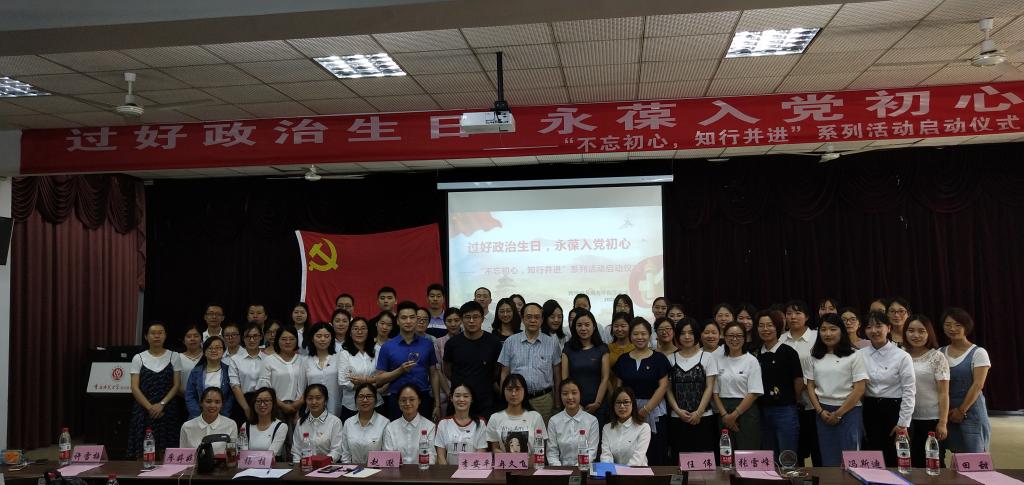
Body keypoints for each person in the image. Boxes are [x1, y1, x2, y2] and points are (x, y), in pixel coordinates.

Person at [805, 313, 868, 467]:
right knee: (828, 457)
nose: (828, 333)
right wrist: (820, 411)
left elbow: (859, 389)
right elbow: (810, 386)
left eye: (833, 329)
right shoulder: (814, 356)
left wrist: (838, 414)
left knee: (851, 459)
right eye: (823, 329)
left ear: (841, 331)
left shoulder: (855, 355)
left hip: (849, 411)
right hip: (823, 413)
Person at [859, 310, 916, 467]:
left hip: (894, 411)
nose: (874, 331)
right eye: (869, 327)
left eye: (879, 326)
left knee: (894, 459)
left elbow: (909, 391)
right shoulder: (860, 355)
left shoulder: (902, 356)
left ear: (889, 328)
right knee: (872, 459)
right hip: (870, 409)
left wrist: (903, 423)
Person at [611, 317, 669, 465]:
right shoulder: (623, 359)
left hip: (654, 411)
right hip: (627, 412)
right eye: (636, 334)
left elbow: (663, 386)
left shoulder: (659, 358)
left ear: (650, 335)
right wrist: (628, 411)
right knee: (630, 452)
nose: (640, 337)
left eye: (643, 333)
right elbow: (619, 388)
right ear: (630, 336)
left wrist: (645, 410)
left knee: (656, 452)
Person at [375, 300, 441, 421]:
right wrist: (400, 371)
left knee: (424, 432)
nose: (408, 321)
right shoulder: (387, 346)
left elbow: (434, 374)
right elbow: (379, 379)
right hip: (397, 398)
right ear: (397, 321)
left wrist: (437, 404)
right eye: (404, 318)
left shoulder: (427, 344)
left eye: (412, 317)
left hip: (423, 397)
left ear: (416, 319)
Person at [750, 310, 803, 461]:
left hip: (785, 410)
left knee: (787, 455)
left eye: (770, 325)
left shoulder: (788, 352)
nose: (765, 329)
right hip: (760, 411)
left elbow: (798, 380)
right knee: (768, 457)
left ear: (778, 327)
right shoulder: (755, 353)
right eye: (761, 325)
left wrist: (795, 399)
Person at [498, 302, 562, 422]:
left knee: (542, 432)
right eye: (529, 317)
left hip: (544, 400)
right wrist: (504, 400)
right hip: (516, 399)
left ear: (542, 320)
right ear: (522, 319)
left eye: (537, 317)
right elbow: (504, 373)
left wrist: (558, 402)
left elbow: (557, 375)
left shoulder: (552, 343)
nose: (533, 320)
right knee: (517, 432)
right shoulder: (510, 342)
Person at [666, 317, 719, 458]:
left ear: (697, 334)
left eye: (690, 333)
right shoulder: (671, 359)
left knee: (704, 459)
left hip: (704, 417)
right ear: (677, 336)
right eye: (683, 333)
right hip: (678, 417)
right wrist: (678, 411)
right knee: (680, 459)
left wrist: (699, 413)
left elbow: (709, 387)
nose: (687, 336)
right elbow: (668, 389)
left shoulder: (707, 357)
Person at [940, 307, 991, 453]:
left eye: (957, 325)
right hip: (948, 412)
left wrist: (962, 410)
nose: (952, 329)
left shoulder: (978, 352)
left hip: (971, 411)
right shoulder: (940, 352)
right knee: (956, 453)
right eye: (948, 324)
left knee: (975, 455)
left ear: (966, 327)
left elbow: (978, 385)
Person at [129, 322, 182, 458]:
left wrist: (162, 404)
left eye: (160, 333)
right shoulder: (138, 358)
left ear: (165, 336)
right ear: (146, 336)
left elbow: (176, 385)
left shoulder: (174, 356)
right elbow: (134, 387)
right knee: (143, 452)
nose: (157, 336)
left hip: (167, 409)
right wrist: (150, 408)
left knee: (167, 453)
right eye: (153, 333)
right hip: (143, 410)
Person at [903, 315, 949, 468]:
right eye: (911, 331)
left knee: (933, 463)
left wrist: (943, 422)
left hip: (931, 419)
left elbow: (943, 393)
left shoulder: (937, 357)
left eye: (921, 331)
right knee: (910, 463)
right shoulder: (900, 355)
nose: (916, 335)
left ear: (929, 333)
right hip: (906, 419)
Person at [781, 300, 820, 466]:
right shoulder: (781, 339)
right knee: (795, 449)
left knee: (817, 448)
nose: (793, 317)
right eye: (789, 313)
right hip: (789, 402)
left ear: (807, 317)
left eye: (798, 313)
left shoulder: (817, 337)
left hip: (815, 402)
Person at [445, 301, 502, 417]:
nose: (471, 321)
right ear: (461, 320)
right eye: (467, 317)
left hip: (485, 400)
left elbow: (496, 371)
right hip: (460, 400)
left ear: (482, 319)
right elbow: (447, 370)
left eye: (475, 317)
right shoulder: (452, 343)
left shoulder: (494, 342)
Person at [713, 322, 763, 451]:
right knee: (726, 452)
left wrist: (734, 415)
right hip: (723, 411)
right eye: (730, 335)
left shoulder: (751, 361)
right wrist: (725, 416)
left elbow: (754, 393)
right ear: (724, 337)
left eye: (739, 336)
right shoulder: (718, 359)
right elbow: (715, 392)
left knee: (747, 451)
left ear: (744, 338)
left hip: (746, 411)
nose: (734, 339)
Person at [184, 336, 248, 420]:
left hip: (223, 418)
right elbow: (190, 395)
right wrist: (198, 415)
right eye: (210, 348)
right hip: (198, 418)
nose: (214, 351)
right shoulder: (196, 371)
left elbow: (231, 397)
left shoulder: (229, 370)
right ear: (204, 352)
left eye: (218, 348)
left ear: (223, 351)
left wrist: (222, 416)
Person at [561, 309, 609, 417]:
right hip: (573, 404)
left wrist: (597, 403)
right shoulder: (568, 348)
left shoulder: (602, 348)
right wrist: (575, 404)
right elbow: (565, 379)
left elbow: (605, 378)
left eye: (587, 325)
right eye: (579, 325)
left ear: (594, 326)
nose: (583, 328)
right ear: (574, 328)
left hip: (598, 404)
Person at [485, 374, 547, 453]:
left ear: (524, 391)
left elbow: (540, 449)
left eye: (517, 389)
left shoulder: (535, 417)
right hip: (504, 461)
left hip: (530, 461)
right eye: (509, 389)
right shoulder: (495, 418)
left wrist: (528, 460)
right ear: (504, 391)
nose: (513, 394)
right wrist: (511, 459)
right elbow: (495, 449)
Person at [257, 325, 306, 423]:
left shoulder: (302, 360)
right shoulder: (269, 360)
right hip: (275, 407)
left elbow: (307, 386)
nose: (288, 342)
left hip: (299, 408)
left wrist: (298, 404)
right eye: (284, 339)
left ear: (297, 340)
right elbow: (264, 387)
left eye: (292, 339)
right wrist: (282, 405)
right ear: (277, 340)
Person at [546, 379, 599, 466]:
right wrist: (560, 470)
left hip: (584, 469)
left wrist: (577, 469)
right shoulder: (554, 421)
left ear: (580, 394)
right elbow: (552, 452)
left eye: (574, 393)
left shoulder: (592, 421)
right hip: (561, 470)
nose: (570, 397)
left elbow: (591, 452)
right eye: (565, 394)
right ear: (560, 396)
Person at [338, 317, 380, 422]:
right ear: (350, 332)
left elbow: (381, 375)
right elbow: (343, 381)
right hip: (351, 404)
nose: (359, 332)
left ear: (368, 331)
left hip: (375, 402)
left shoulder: (376, 350)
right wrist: (370, 383)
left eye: (363, 328)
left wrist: (361, 381)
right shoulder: (344, 353)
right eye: (355, 328)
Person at [434, 383, 488, 465]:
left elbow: (481, 454)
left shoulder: (481, 423)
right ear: (451, 398)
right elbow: (440, 457)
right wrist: (447, 472)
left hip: (472, 471)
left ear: (472, 399)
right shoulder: (443, 423)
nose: (461, 399)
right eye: (457, 396)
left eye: (466, 396)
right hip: (448, 472)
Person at [383, 385, 437, 464]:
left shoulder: (429, 426)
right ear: (398, 402)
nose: (407, 403)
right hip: (397, 471)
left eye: (412, 399)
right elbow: (388, 457)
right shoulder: (390, 428)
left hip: (422, 470)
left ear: (419, 400)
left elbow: (431, 457)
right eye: (403, 400)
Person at [290, 384, 343, 463]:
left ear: (325, 400)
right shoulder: (300, 422)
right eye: (310, 398)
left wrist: (321, 463)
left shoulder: (335, 422)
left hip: (327, 467)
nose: (314, 402)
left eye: (318, 398)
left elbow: (336, 451)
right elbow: (296, 451)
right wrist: (298, 466)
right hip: (304, 467)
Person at [600, 387, 651, 466]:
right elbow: (606, 456)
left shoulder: (644, 427)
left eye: (626, 402)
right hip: (614, 472)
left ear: (632, 404)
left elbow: (638, 458)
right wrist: (609, 470)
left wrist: (623, 471)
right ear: (613, 405)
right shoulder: (607, 428)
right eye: (618, 402)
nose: (622, 406)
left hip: (637, 472)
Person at [340, 383, 388, 464]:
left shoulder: (385, 423)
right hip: (352, 469)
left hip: (376, 469)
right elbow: (345, 454)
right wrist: (348, 469)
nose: (365, 400)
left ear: (376, 400)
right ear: (355, 400)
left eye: (369, 396)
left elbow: (386, 453)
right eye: (361, 396)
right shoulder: (348, 423)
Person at [180, 387, 238, 452]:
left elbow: (232, 454)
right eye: (208, 401)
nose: (212, 405)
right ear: (201, 403)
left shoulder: (231, 425)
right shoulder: (187, 426)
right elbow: (182, 455)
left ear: (222, 405)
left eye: (217, 402)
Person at [303, 322, 341, 417]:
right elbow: (302, 388)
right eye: (318, 336)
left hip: (336, 408)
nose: (323, 339)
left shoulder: (339, 358)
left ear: (332, 338)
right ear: (312, 338)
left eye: (326, 336)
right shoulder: (305, 361)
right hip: (312, 408)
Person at [244, 387, 288, 458]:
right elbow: (243, 454)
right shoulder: (245, 426)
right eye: (258, 401)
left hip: (272, 464)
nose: (262, 404)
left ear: (273, 403)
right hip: (248, 464)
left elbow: (271, 454)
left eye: (266, 401)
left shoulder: (281, 427)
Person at [434, 307, 461, 417]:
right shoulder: (438, 342)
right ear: (444, 322)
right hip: (444, 391)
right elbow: (438, 370)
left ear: (461, 321)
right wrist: (448, 392)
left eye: (456, 320)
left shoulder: (468, 340)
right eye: (449, 321)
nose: (453, 324)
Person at [235, 323, 266, 405]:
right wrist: (246, 408)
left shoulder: (268, 359)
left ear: (261, 337)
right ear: (243, 338)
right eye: (248, 336)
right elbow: (235, 386)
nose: (252, 340)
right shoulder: (235, 359)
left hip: (265, 401)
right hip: (243, 401)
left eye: (255, 336)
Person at [177, 325, 203, 394]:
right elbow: (175, 384)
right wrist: (189, 397)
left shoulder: (208, 356)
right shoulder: (177, 358)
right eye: (188, 336)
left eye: (196, 336)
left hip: (208, 399)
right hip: (183, 397)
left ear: (201, 339)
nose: (192, 339)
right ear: (183, 341)